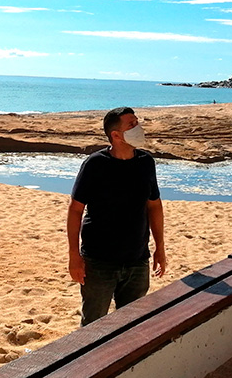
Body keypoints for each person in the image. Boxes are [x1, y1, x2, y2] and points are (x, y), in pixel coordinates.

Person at [67, 107, 167, 326]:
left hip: (138, 261)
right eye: (131, 125)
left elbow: (154, 206)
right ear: (115, 135)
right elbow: (75, 210)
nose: (138, 128)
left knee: (131, 324)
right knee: (93, 324)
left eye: (137, 123)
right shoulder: (95, 164)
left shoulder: (146, 163)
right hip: (99, 262)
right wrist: (74, 255)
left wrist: (160, 247)